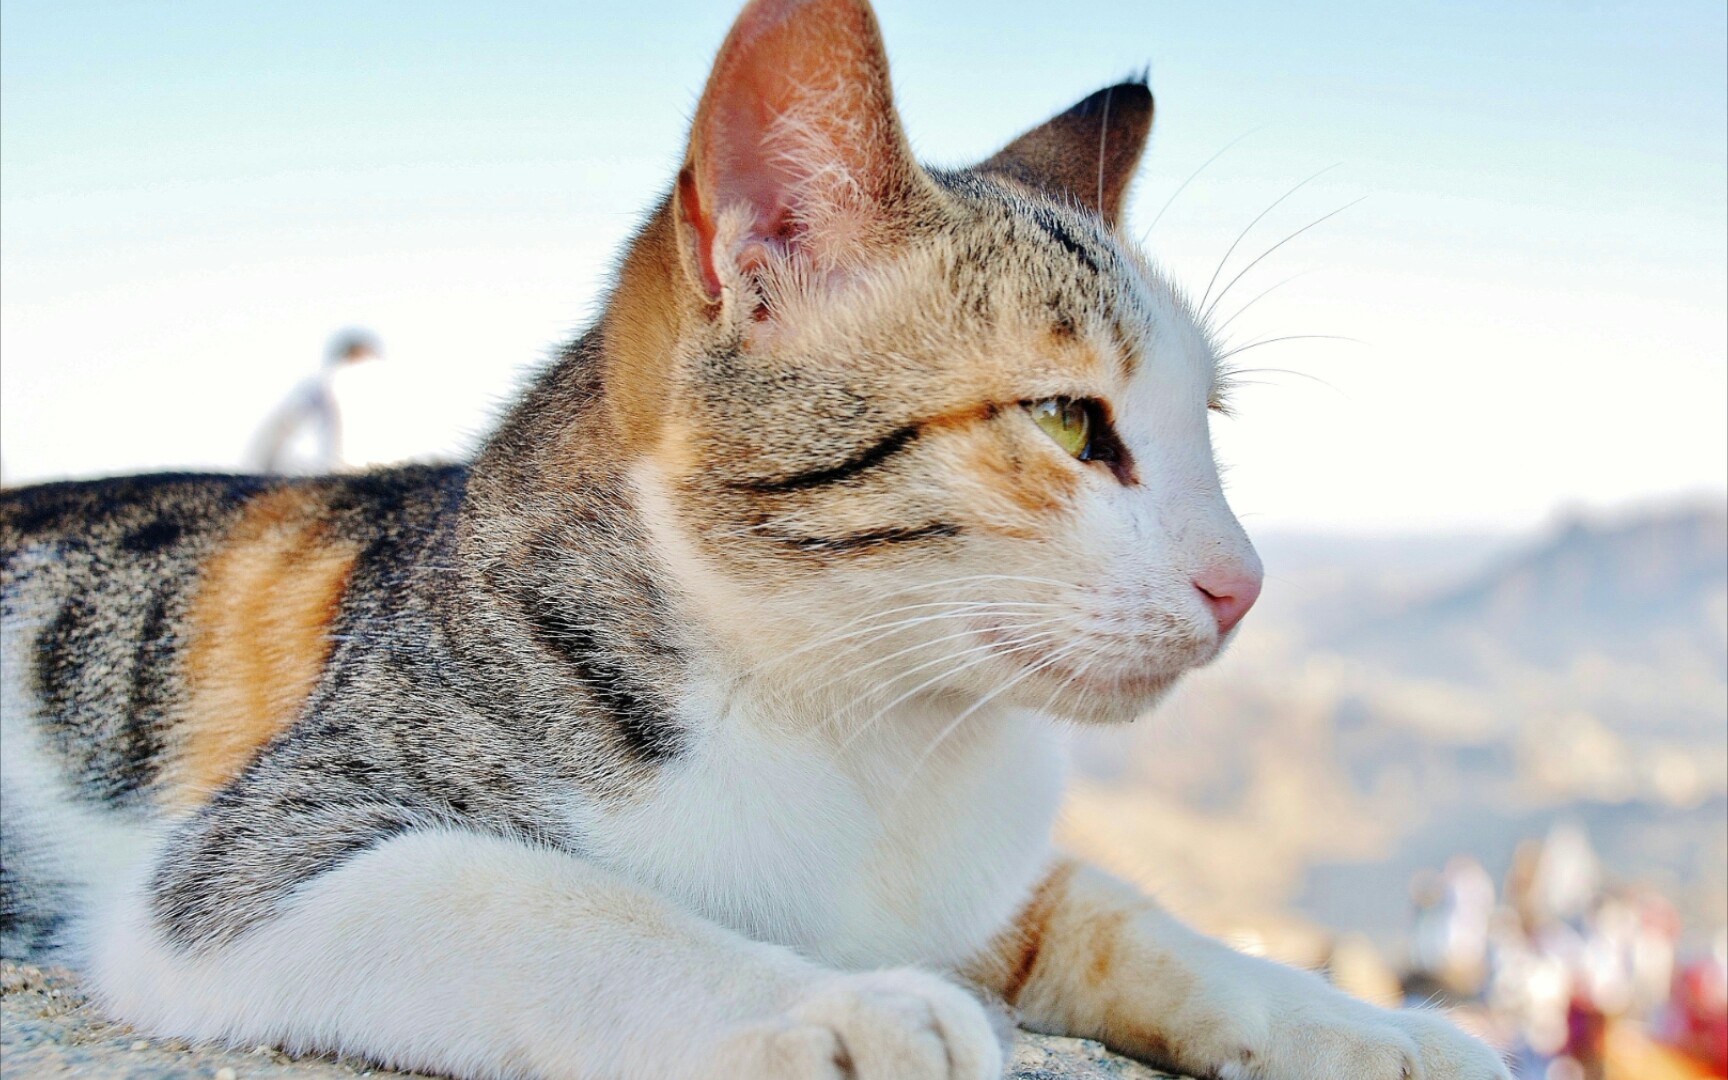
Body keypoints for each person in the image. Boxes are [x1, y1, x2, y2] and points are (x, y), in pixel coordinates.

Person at [248, 329, 381, 474]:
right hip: (386, 470)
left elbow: (282, 426)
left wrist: (263, 468)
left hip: (338, 471)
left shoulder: (325, 379)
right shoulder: (387, 380)